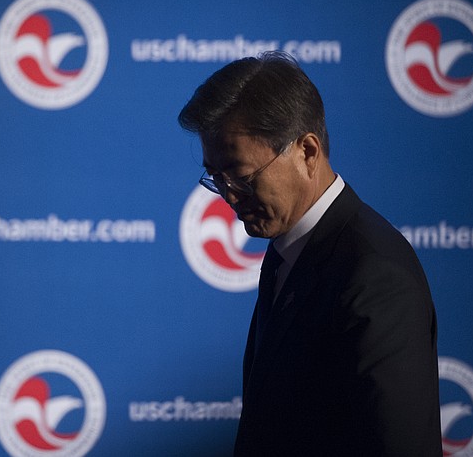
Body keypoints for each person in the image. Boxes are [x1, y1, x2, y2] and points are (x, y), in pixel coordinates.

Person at [178, 51, 442, 456]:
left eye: (243, 177)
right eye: (216, 178)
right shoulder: (288, 246)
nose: (230, 197)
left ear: (307, 151)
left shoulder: (375, 275)